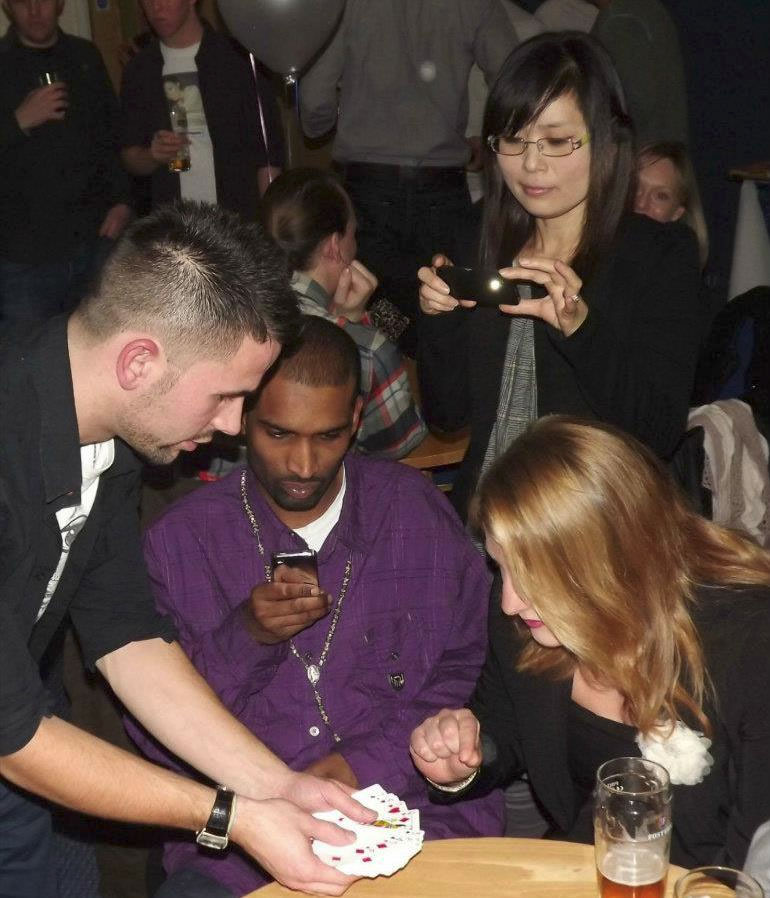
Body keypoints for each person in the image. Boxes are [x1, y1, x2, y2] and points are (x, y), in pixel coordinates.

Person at [0, 202, 376, 898]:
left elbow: (126, 635)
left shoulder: (112, 430)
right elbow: (15, 738)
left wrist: (278, 785)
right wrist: (233, 818)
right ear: (139, 361)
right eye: (226, 396)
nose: (233, 426)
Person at [134, 315, 503, 897]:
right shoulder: (182, 542)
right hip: (247, 841)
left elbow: (472, 670)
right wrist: (245, 637)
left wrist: (361, 764)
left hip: (421, 817)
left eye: (328, 436)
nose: (304, 465)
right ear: (241, 417)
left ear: (356, 418)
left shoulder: (412, 511)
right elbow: (154, 732)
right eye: (279, 434)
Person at [410, 415, 770, 869]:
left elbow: (758, 858)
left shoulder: (750, 644)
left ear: (609, 560)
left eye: (533, 576)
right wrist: (465, 760)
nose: (509, 603)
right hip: (589, 868)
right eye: (502, 568)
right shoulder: (527, 623)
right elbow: (505, 725)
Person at [417, 31, 701, 521]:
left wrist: (581, 329)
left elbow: (656, 433)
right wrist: (438, 317)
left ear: (607, 141)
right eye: (513, 139)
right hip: (485, 526)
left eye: (555, 141)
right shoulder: (475, 236)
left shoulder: (657, 255)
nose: (531, 164)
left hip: (598, 531)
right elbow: (447, 418)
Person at [299, 0, 517, 353]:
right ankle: (423, 366)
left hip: (368, 190)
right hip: (442, 191)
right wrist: (498, 143)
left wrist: (320, 123)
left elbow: (314, 98)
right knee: (444, 317)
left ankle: (388, 367)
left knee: (367, 312)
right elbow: (517, 79)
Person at [261, 169, 427, 459]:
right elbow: (400, 443)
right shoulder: (367, 347)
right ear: (335, 247)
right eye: (353, 233)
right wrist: (357, 326)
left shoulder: (230, 314)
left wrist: (348, 319)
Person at [0, 0, 132, 324]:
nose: (34, 10)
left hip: (94, 242)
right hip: (23, 257)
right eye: (23, 1)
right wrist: (18, 121)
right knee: (29, 352)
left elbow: (112, 135)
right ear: (6, 6)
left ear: (60, 3)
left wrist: (123, 200)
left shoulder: (84, 56)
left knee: (97, 348)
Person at [119, 0, 283, 219]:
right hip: (174, 222)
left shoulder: (238, 60)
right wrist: (153, 156)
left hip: (237, 218)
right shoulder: (139, 71)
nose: (156, 7)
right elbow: (129, 154)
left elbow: (268, 156)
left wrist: (269, 224)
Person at [589, 0, 688, 145]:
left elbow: (637, 107)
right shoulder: (644, 8)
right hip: (663, 150)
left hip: (643, 151)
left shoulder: (620, 21)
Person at [635, 141, 709, 269]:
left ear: (677, 213)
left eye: (660, 196)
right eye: (635, 186)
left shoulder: (674, 265)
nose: (641, 203)